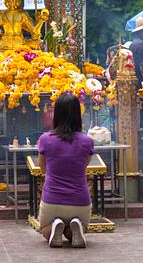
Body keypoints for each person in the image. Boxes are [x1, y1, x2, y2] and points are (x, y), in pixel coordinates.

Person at [37, 93, 94, 248]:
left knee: (45, 230)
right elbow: (83, 166)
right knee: (76, 231)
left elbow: (43, 169)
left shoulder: (45, 139)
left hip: (52, 200)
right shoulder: (87, 141)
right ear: (78, 114)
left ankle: (55, 225)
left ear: (57, 114)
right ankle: (76, 225)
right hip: (80, 201)